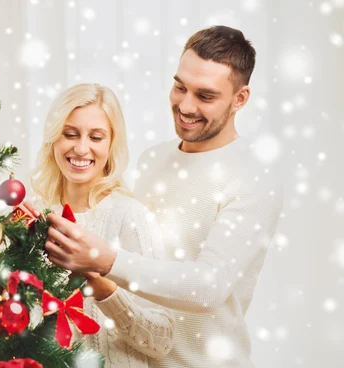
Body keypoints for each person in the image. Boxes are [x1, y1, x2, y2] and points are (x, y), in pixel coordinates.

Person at [40, 26, 284, 367]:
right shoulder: (154, 159)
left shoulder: (254, 179)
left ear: (240, 99)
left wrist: (105, 260)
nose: (185, 105)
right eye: (180, 86)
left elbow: (209, 286)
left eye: (205, 96)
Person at [30, 83, 174, 367]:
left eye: (96, 137)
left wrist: (104, 290)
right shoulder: (37, 216)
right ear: (53, 140)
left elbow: (162, 341)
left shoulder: (131, 216)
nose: (81, 148)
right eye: (70, 134)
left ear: (111, 144)